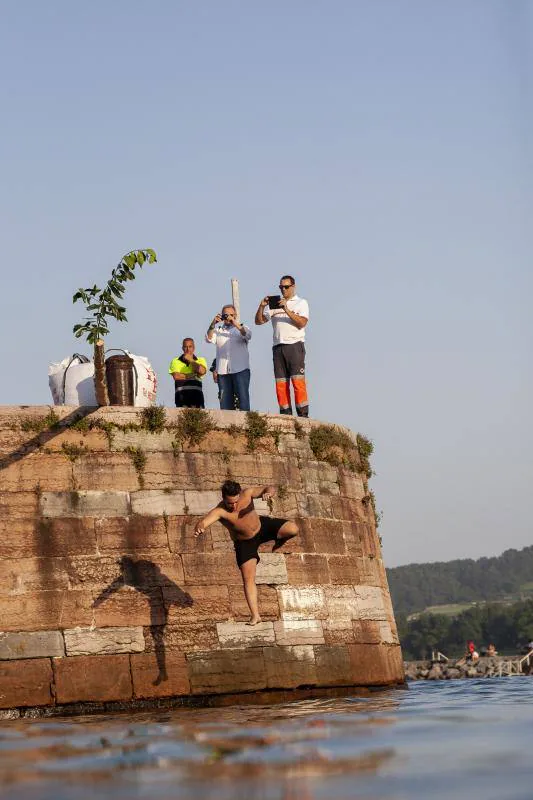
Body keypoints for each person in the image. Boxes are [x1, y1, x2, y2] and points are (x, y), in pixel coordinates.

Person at [194, 480, 298, 624]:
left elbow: (269, 487)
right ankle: (255, 615)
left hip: (262, 527)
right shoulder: (220, 511)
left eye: (236, 501)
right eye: (230, 503)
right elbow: (204, 522)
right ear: (223, 498)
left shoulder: (247, 494)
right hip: (245, 543)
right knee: (248, 579)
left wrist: (268, 493)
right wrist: (199, 527)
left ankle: (279, 540)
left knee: (293, 529)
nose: (234, 506)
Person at [255, 275, 309, 417]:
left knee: (297, 381)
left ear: (293, 287)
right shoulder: (275, 304)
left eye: (286, 287)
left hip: (295, 345)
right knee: (280, 383)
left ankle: (303, 414)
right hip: (278, 347)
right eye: (281, 287)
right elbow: (259, 321)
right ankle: (285, 413)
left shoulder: (301, 303)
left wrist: (286, 309)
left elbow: (302, 323)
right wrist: (261, 306)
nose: (283, 289)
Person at [206, 305, 251, 411]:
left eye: (231, 314)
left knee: (243, 402)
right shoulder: (218, 330)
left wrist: (234, 322)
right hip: (223, 372)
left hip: (241, 370)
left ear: (235, 315)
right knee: (225, 404)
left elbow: (247, 334)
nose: (228, 317)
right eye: (225, 315)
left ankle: (246, 425)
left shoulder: (242, 327)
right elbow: (208, 338)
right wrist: (213, 323)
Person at [168, 338, 207, 408]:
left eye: (190, 347)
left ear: (194, 348)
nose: (188, 349)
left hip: (197, 400)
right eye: (186, 347)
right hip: (181, 399)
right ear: (182, 348)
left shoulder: (201, 360)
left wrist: (190, 360)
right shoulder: (175, 361)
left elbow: (202, 371)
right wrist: (193, 375)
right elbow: (176, 376)